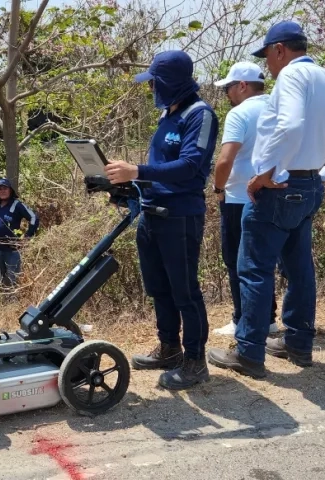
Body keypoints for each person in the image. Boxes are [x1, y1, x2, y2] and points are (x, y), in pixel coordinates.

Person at [208, 21, 325, 378]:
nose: (269, 65)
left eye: (267, 56)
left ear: (279, 49)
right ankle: (298, 342)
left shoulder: (292, 78)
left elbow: (291, 126)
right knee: (298, 268)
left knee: (253, 269)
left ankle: (249, 351)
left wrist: (269, 173)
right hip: (309, 185)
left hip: (280, 187)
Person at [104, 50, 219, 390]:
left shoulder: (200, 115)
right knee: (159, 288)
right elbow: (159, 169)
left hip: (180, 217)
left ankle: (195, 362)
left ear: (169, 81)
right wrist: (127, 185)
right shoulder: (167, 115)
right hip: (151, 213)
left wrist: (137, 170)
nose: (150, 87)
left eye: (154, 82)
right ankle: (169, 348)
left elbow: (190, 166)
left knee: (184, 291)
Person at [210, 62, 280, 337]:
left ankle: (242, 319)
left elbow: (225, 160)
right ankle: (269, 320)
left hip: (239, 198)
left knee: (236, 262)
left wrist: (218, 189)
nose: (227, 94)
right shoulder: (279, 108)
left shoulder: (240, 114)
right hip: (274, 194)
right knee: (264, 261)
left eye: (228, 87)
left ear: (242, 85)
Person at [0, 178, 39, 288]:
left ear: (10, 190)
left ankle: (12, 301)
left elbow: (34, 217)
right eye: (0, 189)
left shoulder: (17, 205)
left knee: (12, 279)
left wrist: (28, 236)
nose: (2, 191)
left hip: (12, 250)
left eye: (5, 188)